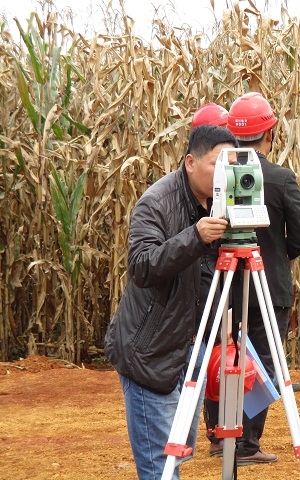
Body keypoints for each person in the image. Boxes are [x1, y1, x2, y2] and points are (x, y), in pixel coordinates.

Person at [104, 124, 238, 479]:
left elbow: (210, 277)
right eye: (216, 165)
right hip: (151, 354)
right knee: (160, 468)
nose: (225, 175)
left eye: (231, 167)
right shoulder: (156, 203)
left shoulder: (220, 201)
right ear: (191, 162)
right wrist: (195, 237)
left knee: (176, 457)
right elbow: (142, 267)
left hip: (188, 351)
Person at [203, 92, 300, 464]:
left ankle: (218, 436)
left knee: (220, 354)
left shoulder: (215, 175)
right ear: (270, 134)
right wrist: (276, 258)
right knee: (261, 361)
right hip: (268, 284)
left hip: (225, 282)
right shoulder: (281, 178)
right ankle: (246, 444)